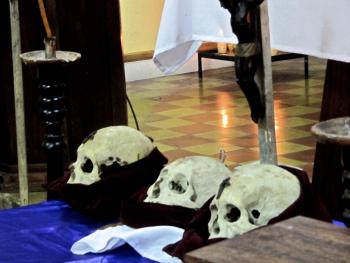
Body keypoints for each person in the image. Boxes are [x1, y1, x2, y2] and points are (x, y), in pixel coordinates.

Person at [219, 0, 265, 123]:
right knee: (241, 79)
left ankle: (257, 109)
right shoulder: (233, 8)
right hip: (241, 45)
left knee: (245, 79)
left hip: (250, 45)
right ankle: (256, 108)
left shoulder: (246, 4)